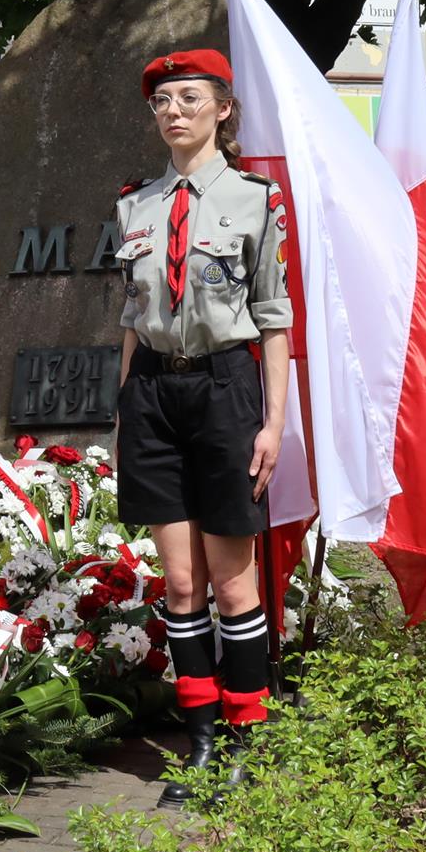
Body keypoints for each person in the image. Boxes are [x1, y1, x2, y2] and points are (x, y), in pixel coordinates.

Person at [113, 48, 293, 807]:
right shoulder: (135, 205)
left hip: (226, 388)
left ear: (222, 109)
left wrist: (273, 424)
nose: (173, 111)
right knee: (180, 583)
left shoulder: (256, 200)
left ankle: (249, 736)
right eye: (162, 101)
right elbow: (130, 315)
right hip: (155, 392)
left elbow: (275, 319)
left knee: (230, 580)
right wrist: (123, 410)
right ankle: (203, 740)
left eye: (189, 98)